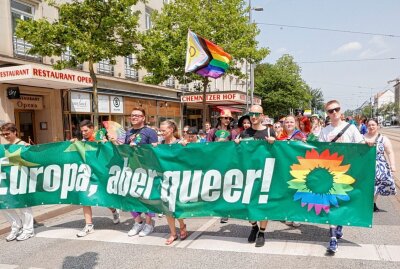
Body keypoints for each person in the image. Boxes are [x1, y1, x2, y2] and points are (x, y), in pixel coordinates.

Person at [319, 100, 365, 254]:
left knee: (342, 202)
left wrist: (369, 143)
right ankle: (332, 239)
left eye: (336, 110)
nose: (334, 113)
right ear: (327, 113)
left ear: (340, 110)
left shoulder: (351, 128)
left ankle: (339, 225)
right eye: (330, 111)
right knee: (332, 203)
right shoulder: (325, 131)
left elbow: (361, 144)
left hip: (348, 172)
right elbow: (320, 151)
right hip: (331, 173)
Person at [235, 105, 276, 247]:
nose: (253, 116)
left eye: (257, 114)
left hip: (265, 174)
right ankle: (254, 226)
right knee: (246, 202)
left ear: (262, 116)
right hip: (248, 174)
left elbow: (278, 153)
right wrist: (236, 144)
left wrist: (273, 143)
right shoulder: (244, 133)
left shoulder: (270, 131)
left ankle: (262, 232)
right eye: (251, 113)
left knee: (263, 203)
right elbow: (237, 156)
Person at [73, 120, 120, 237]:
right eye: (82, 131)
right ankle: (89, 225)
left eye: (86, 130)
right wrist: (74, 144)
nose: (83, 133)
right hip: (87, 174)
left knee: (102, 198)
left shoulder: (100, 138)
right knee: (85, 198)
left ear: (92, 129)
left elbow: (111, 151)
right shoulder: (82, 141)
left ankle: (114, 210)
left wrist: (106, 143)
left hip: (100, 173)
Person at [122, 108, 158, 237]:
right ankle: (138, 222)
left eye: (138, 115)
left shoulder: (150, 132)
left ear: (143, 118)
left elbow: (156, 151)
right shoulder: (128, 132)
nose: (134, 117)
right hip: (131, 169)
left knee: (147, 197)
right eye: (132, 115)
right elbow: (124, 151)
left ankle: (149, 224)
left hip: (147, 169)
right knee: (130, 195)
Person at [0, 123, 34, 241]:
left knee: (24, 205)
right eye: (3, 134)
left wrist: (29, 150)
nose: (5, 136)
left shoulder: (23, 145)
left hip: (22, 178)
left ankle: (28, 230)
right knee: (4, 204)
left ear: (15, 132)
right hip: (8, 180)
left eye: (7, 134)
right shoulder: (5, 147)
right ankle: (16, 227)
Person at [157, 120, 188, 245]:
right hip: (164, 179)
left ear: (171, 130)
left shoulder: (179, 142)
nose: (161, 133)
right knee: (167, 207)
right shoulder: (160, 144)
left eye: (163, 130)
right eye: (160, 130)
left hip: (178, 179)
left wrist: (185, 146)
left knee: (177, 205)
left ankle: (182, 225)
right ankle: (173, 233)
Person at [363, 118, 397, 212]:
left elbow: (390, 152)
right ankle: (366, 203)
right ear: (366, 126)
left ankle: (372, 203)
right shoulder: (362, 137)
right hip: (365, 165)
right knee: (366, 185)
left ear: (377, 126)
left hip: (379, 166)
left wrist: (392, 165)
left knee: (376, 186)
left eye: (373, 125)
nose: (371, 127)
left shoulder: (383, 138)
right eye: (369, 125)